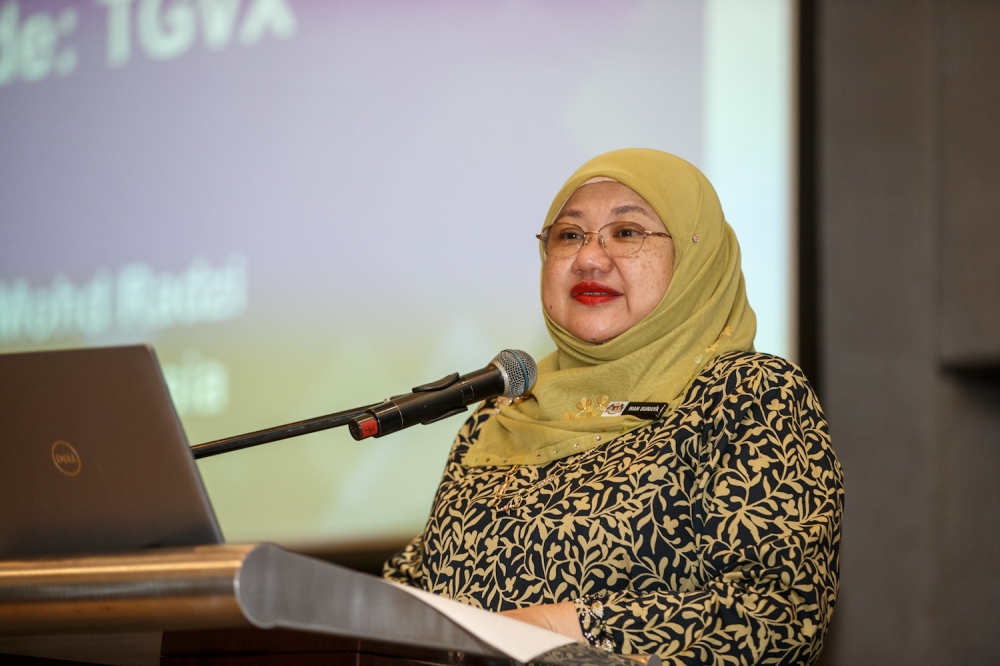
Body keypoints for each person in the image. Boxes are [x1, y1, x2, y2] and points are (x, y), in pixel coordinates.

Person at [384, 149, 843, 665]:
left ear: (696, 256)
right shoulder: (499, 417)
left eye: (627, 233)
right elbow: (418, 580)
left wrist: (549, 629)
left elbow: (776, 613)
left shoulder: (747, 395)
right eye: (569, 235)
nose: (589, 258)